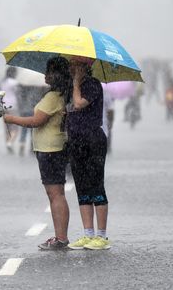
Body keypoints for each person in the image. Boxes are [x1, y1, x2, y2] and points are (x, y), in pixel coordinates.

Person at [3, 57, 71, 250]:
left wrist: (12, 119)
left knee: (56, 194)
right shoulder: (59, 94)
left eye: (49, 72)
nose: (46, 75)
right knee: (55, 194)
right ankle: (60, 237)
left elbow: (37, 121)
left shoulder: (53, 97)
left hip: (50, 149)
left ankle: (61, 238)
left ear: (56, 75)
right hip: (52, 148)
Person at [66, 56, 110, 250]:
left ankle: (101, 236)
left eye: (74, 66)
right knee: (82, 187)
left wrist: (76, 84)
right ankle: (87, 233)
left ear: (84, 68)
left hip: (93, 140)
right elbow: (71, 109)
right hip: (76, 141)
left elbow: (78, 104)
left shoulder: (92, 85)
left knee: (96, 186)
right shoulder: (73, 85)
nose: (71, 69)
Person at [0, 67, 20, 153]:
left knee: (7, 127)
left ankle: (7, 143)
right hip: (13, 106)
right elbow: (18, 94)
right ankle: (10, 142)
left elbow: (0, 94)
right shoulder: (15, 83)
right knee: (15, 128)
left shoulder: (2, 82)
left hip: (4, 106)